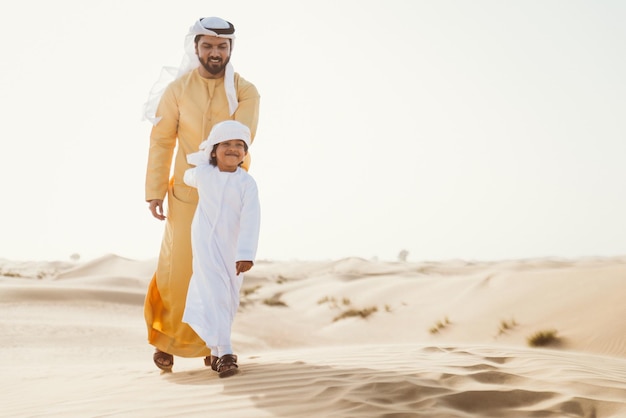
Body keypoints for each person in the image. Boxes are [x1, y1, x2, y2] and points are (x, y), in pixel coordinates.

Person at [143, 16, 260, 372]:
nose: (214, 52)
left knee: (217, 274)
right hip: (184, 191)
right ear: (195, 47)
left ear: (230, 49)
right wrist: (155, 190)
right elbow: (162, 140)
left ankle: (214, 345)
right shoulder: (177, 90)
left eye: (221, 46)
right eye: (207, 45)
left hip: (224, 194)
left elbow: (242, 139)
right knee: (177, 270)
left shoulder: (244, 91)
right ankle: (166, 341)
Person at [182, 120, 260, 378]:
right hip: (205, 244)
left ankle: (216, 350)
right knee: (214, 292)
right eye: (226, 144)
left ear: (245, 154)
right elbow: (186, 175)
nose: (233, 149)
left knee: (228, 298)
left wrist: (246, 253)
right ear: (214, 150)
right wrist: (204, 158)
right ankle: (226, 352)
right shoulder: (204, 175)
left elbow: (251, 219)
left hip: (233, 249)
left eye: (239, 145)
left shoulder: (247, 183)